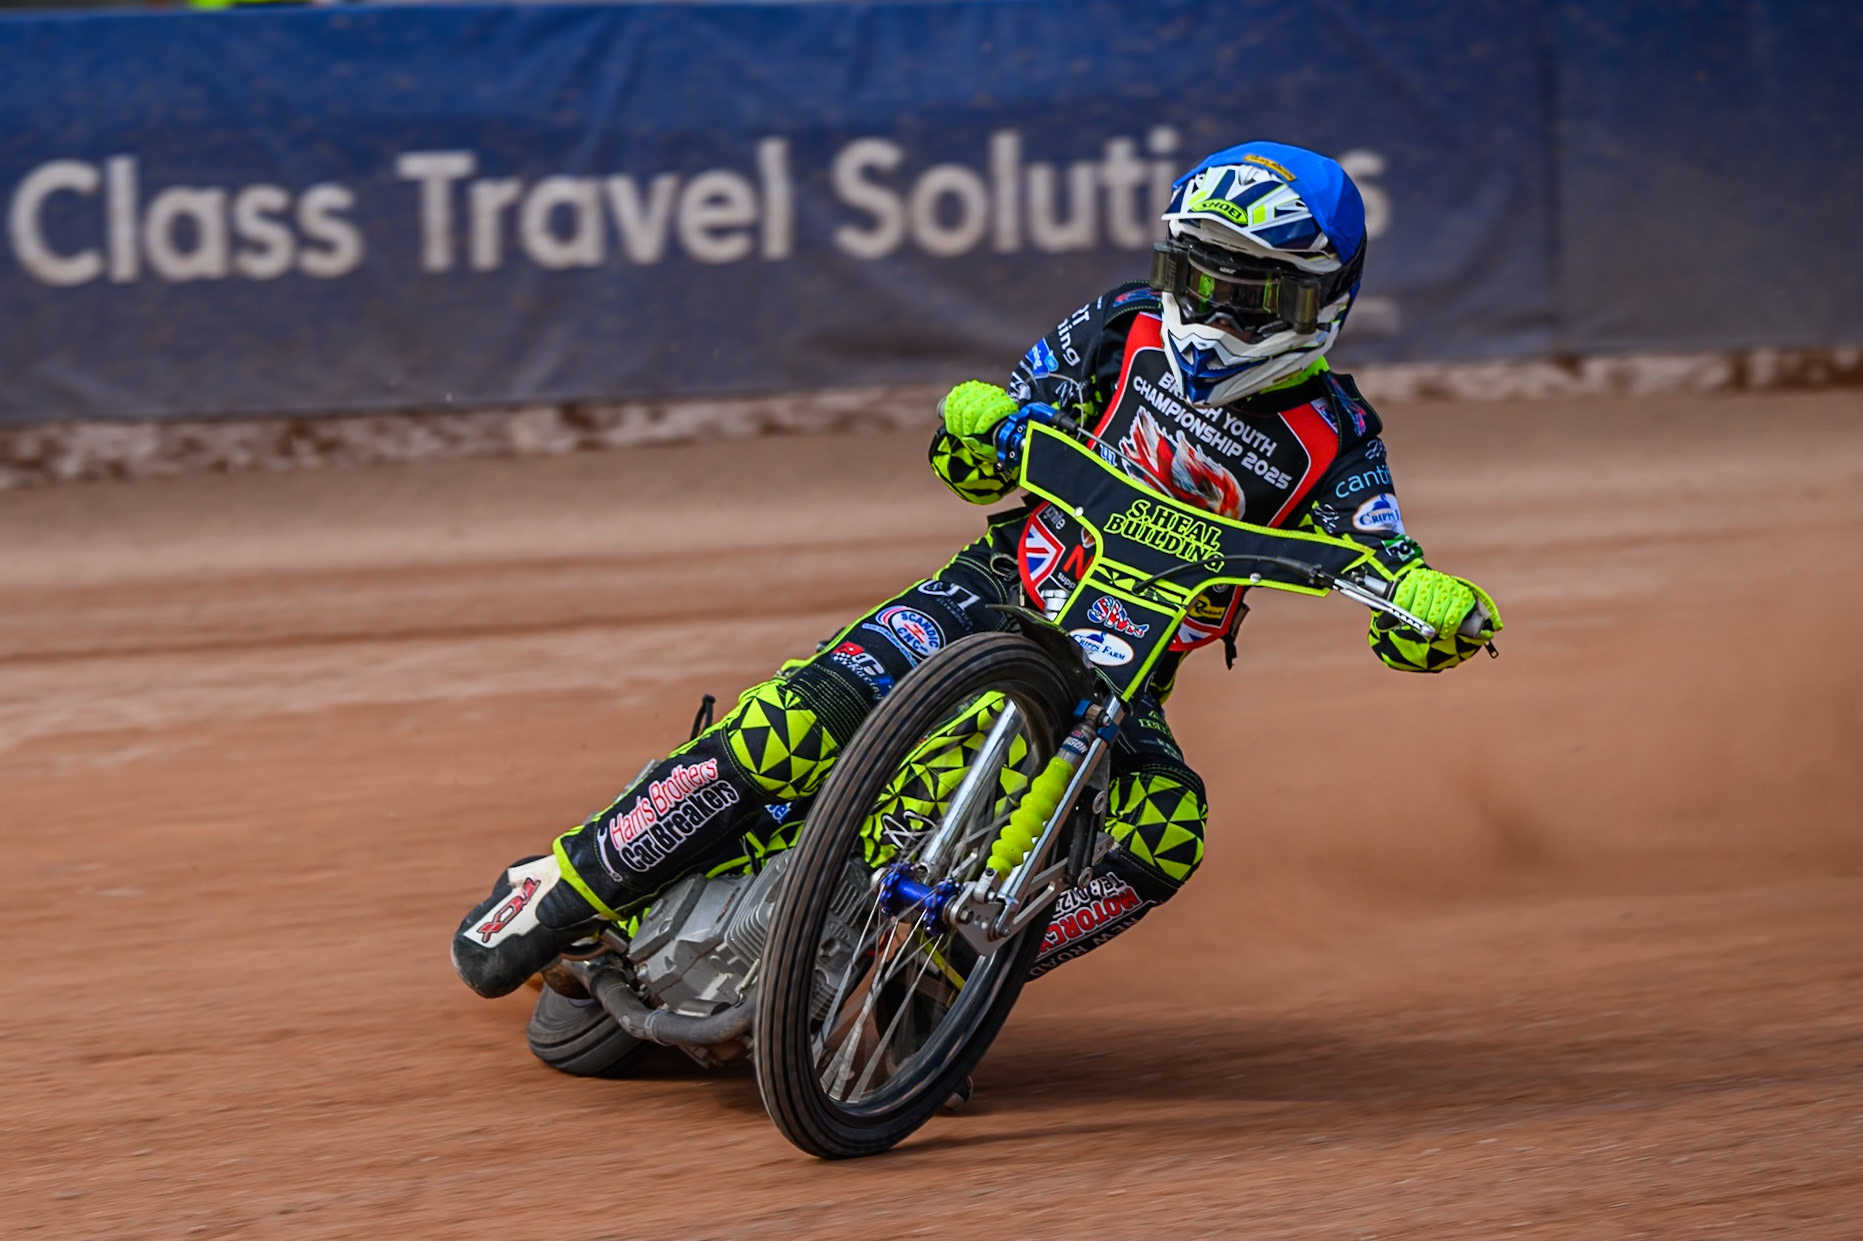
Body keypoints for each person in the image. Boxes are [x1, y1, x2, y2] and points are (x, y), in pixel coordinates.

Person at [451, 140, 1502, 1001]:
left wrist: (1426, 610)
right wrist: (982, 422)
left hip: (1125, 678)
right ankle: (572, 876)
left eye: (1249, 294)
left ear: (1321, 302)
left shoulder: (1338, 434)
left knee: (1167, 829)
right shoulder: (1119, 325)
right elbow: (991, 432)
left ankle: (943, 981)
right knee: (800, 718)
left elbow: (1385, 561)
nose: (1211, 314)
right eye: (1197, 278)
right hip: (999, 586)